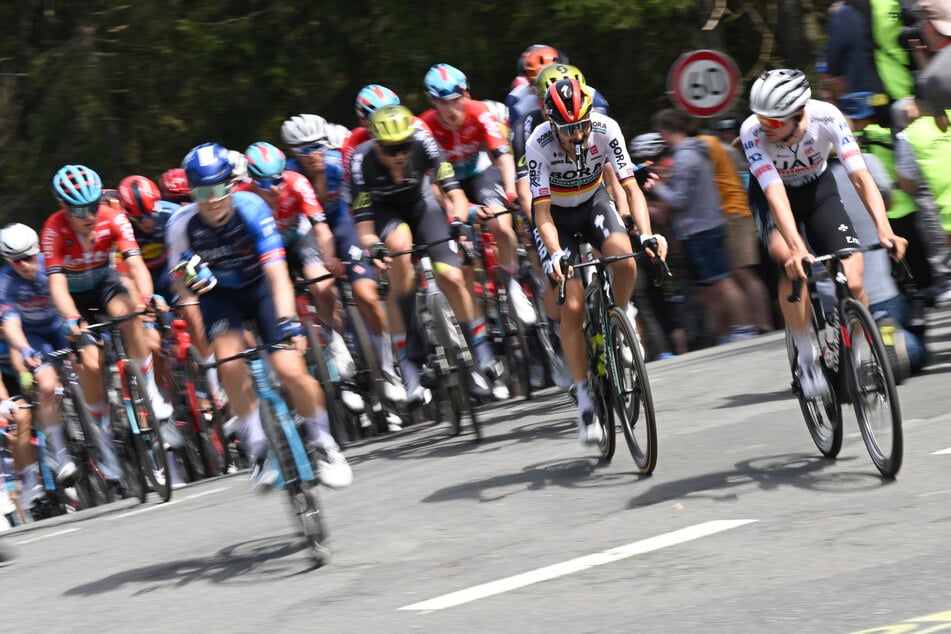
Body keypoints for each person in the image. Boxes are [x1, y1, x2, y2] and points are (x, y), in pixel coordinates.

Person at [165, 142, 352, 491]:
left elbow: (278, 274)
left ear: (231, 185)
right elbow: (178, 280)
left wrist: (287, 321)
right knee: (229, 363)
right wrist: (190, 279)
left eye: (219, 188)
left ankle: (326, 444)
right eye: (202, 192)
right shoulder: (180, 224)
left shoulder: (252, 208)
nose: (211, 199)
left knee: (290, 370)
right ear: (192, 191)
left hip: (261, 287)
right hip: (219, 295)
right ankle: (258, 450)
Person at [740, 69, 907, 399]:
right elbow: (774, 194)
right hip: (772, 196)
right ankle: (808, 359)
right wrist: (795, 246)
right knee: (792, 262)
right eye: (761, 119)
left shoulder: (826, 116)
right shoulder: (752, 132)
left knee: (853, 278)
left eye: (773, 122)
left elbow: (860, 177)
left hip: (818, 192)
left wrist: (885, 229)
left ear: (799, 113)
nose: (764, 127)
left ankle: (854, 349)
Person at [527, 79, 667, 448]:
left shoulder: (606, 129)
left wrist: (648, 234)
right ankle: (585, 399)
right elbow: (541, 213)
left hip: (592, 204)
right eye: (569, 129)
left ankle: (619, 316)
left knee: (624, 258)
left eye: (582, 125)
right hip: (556, 217)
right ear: (552, 123)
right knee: (571, 305)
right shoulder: (538, 144)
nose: (578, 135)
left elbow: (631, 187)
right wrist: (556, 253)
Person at [348, 105, 501, 402]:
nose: (400, 155)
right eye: (391, 150)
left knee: (453, 276)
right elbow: (364, 229)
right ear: (377, 145)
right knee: (400, 248)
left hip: (421, 204)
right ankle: (409, 364)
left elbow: (454, 193)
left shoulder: (424, 140)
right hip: (385, 213)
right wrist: (373, 246)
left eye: (404, 146)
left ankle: (481, 348)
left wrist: (457, 221)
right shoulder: (360, 162)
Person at [42, 164, 175, 481]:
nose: (88, 215)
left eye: (93, 206)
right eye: (79, 209)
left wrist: (145, 299)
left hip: (105, 285)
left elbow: (136, 264)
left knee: (129, 315)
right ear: (63, 207)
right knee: (91, 363)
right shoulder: (52, 230)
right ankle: (104, 443)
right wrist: (72, 318)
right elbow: (57, 286)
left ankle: (152, 396)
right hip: (75, 298)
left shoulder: (113, 218)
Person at [281, 114, 405, 410]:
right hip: (311, 233)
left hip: (345, 223)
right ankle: (342, 358)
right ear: (293, 153)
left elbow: (365, 201)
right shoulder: (288, 177)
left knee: (366, 295)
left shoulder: (342, 163)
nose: (315, 155)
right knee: (322, 289)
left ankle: (390, 368)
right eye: (305, 150)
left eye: (319, 146)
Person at [419, 63, 536, 330]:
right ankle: (478, 325)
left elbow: (503, 158)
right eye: (442, 102)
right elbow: (433, 184)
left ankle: (513, 282)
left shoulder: (480, 112)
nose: (451, 109)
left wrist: (510, 191)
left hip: (481, 173)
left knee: (500, 225)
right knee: (463, 261)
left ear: (467, 95)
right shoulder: (424, 127)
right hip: (447, 186)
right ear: (431, 102)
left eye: (456, 99)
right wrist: (462, 211)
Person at [650, 108, 756, 343]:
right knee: (709, 287)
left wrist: (657, 186)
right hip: (697, 228)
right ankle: (728, 330)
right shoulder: (690, 152)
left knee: (723, 281)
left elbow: (679, 199)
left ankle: (745, 327)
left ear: (667, 131)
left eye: (661, 133)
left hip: (702, 229)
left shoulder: (686, 156)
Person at [0, 224, 75, 493]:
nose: (25, 265)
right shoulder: (5, 281)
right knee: (45, 385)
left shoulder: (51, 264)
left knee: (88, 360)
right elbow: (10, 324)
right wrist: (24, 349)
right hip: (34, 335)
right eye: (16, 261)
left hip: (59, 325)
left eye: (29, 258)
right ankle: (60, 453)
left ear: (37, 251)